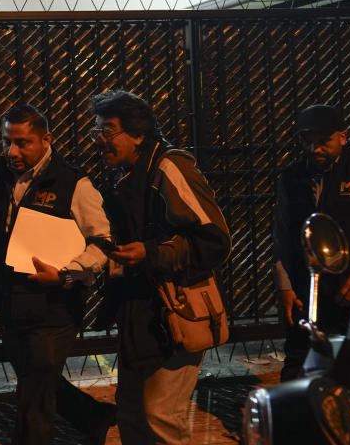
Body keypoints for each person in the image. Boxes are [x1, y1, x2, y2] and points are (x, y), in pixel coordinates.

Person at [0, 103, 117, 445]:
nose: (11, 151)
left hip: (54, 306)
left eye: (22, 142)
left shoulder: (73, 182)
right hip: (9, 299)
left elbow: (102, 243)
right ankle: (93, 415)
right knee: (36, 380)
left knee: (33, 395)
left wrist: (65, 274)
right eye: (6, 142)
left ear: (46, 140)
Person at [89, 90, 230, 445]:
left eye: (108, 131)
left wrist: (151, 253)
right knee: (132, 414)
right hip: (140, 317)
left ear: (137, 134)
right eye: (96, 132)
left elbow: (214, 240)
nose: (100, 141)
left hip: (177, 314)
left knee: (160, 417)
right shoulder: (125, 175)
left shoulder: (168, 167)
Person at [272, 103, 350, 420]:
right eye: (307, 140)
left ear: (343, 136)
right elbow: (283, 238)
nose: (315, 148)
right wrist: (285, 287)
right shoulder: (292, 178)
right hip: (309, 295)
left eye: (323, 140)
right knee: (298, 367)